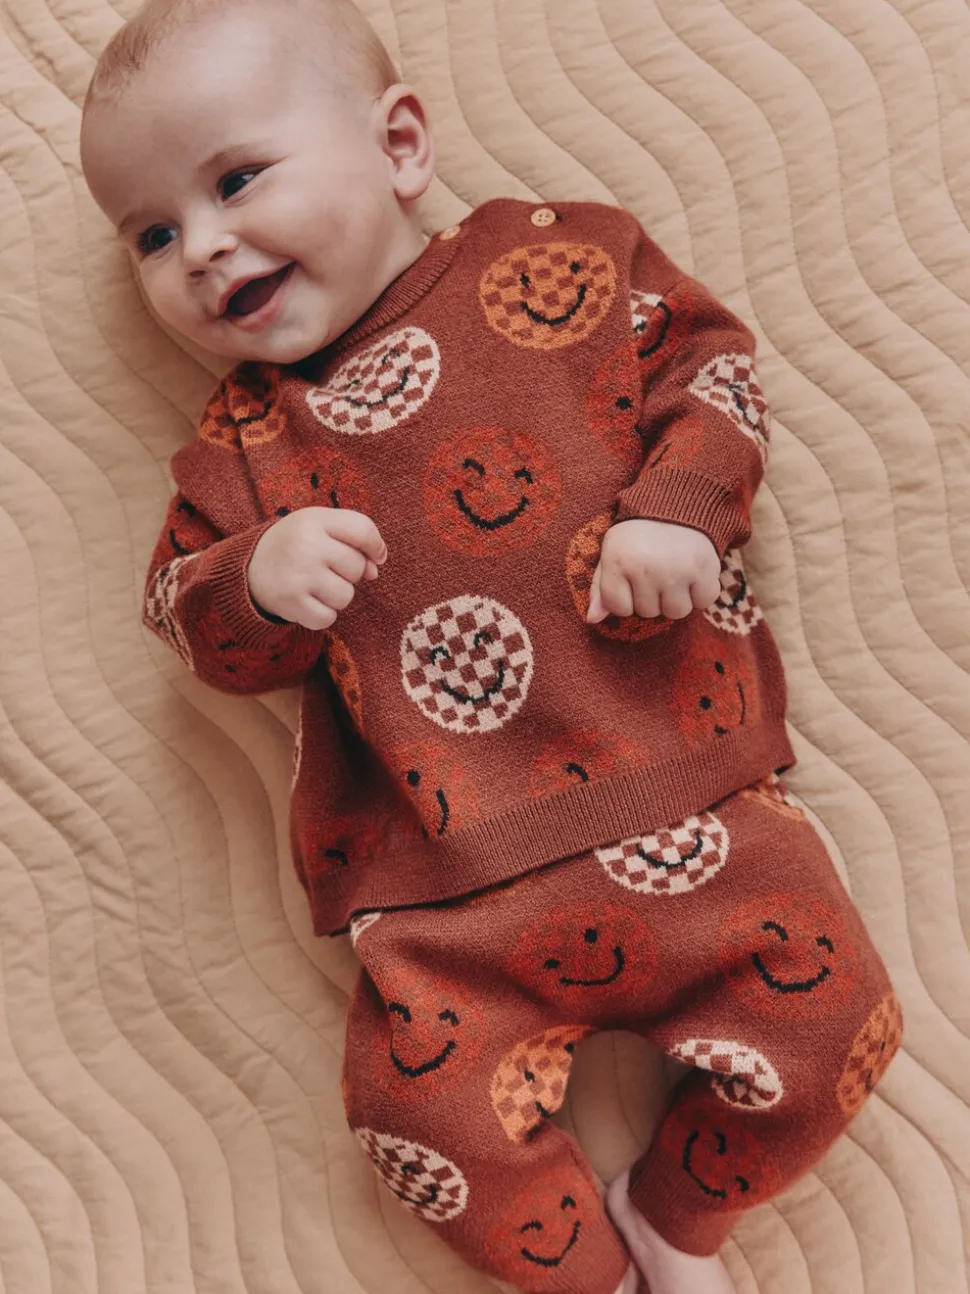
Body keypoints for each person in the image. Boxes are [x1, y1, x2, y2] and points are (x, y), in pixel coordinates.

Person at [80, 2, 903, 1291]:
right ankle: (599, 1278)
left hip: (686, 798)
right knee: (410, 1125)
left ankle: (674, 1216)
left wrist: (680, 508)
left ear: (400, 145)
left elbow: (713, 371)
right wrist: (255, 580)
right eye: (151, 234)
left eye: (236, 180)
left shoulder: (564, 261)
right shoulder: (243, 444)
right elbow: (184, 613)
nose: (202, 247)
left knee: (840, 1020)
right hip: (443, 890)